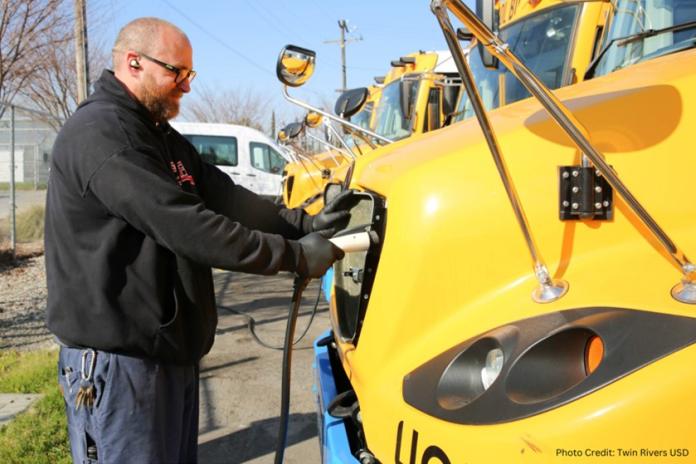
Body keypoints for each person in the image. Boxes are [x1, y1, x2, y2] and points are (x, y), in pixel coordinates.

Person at [45, 17, 349, 464]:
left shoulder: (156, 134)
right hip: (120, 366)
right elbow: (188, 225)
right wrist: (295, 258)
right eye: (177, 73)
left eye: (190, 75)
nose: (186, 86)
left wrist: (305, 222)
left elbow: (225, 197)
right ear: (134, 63)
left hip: (166, 358)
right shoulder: (102, 135)